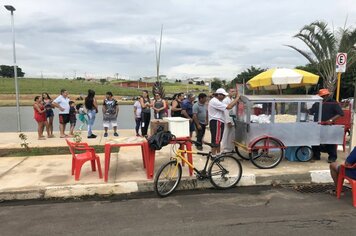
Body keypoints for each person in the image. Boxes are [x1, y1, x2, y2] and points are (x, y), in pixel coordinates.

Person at [309, 88, 344, 163]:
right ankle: (316, 155)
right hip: (317, 124)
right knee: (315, 140)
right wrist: (305, 109)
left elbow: (340, 113)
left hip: (328, 125)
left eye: (323, 96)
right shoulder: (317, 103)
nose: (322, 97)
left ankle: (332, 157)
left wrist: (331, 120)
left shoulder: (333, 103)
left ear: (327, 95)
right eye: (321, 96)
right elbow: (311, 112)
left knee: (330, 141)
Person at [208, 88, 239, 155]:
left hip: (219, 121)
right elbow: (229, 107)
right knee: (216, 140)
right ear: (219, 95)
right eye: (223, 95)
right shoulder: (215, 101)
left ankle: (218, 154)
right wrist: (237, 98)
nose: (224, 97)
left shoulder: (218, 101)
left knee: (218, 139)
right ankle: (213, 155)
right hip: (216, 121)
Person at [221, 88, 237, 153]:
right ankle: (224, 149)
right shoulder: (225, 100)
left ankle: (230, 148)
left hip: (233, 118)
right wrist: (228, 121)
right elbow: (225, 111)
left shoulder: (233, 100)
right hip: (227, 119)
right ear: (228, 92)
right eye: (232, 91)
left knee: (232, 135)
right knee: (226, 134)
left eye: (234, 91)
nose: (233, 92)